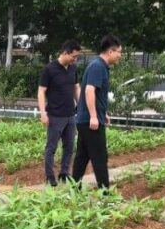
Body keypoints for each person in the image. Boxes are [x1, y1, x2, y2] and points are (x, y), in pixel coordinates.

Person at [72, 34, 123, 191]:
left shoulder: (101, 66)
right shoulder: (98, 66)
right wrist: (94, 116)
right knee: (100, 157)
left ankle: (74, 190)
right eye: (119, 52)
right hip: (90, 121)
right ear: (110, 51)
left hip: (86, 119)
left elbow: (96, 94)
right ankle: (105, 194)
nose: (120, 56)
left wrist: (102, 112)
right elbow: (89, 90)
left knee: (82, 156)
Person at [37, 40, 82, 186]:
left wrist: (81, 105)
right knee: (51, 148)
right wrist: (43, 112)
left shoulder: (73, 68)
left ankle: (64, 173)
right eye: (73, 56)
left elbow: (76, 88)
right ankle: (50, 178)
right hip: (55, 116)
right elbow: (41, 91)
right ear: (65, 53)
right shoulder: (49, 69)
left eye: (76, 57)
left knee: (69, 147)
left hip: (70, 116)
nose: (75, 60)